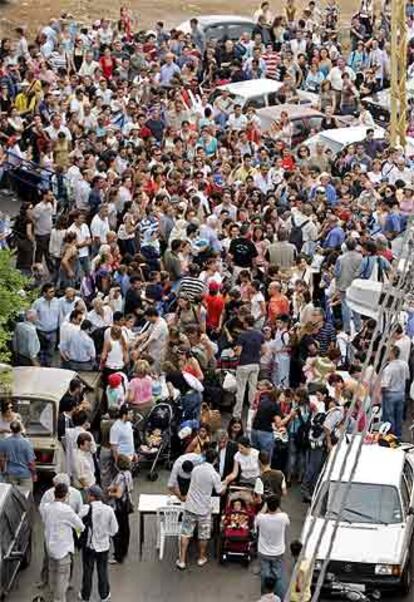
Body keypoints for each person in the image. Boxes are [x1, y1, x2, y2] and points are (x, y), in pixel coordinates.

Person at [177, 448, 226, 569]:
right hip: (204, 509)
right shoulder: (214, 474)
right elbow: (220, 491)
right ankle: (201, 557)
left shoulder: (195, 469)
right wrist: (225, 483)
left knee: (185, 533)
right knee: (203, 535)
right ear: (215, 460)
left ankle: (182, 560)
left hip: (190, 506)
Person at [40, 482, 85, 602]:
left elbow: (45, 520)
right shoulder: (67, 510)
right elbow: (80, 526)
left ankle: (53, 593)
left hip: (50, 548)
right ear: (65, 495)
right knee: (62, 576)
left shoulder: (47, 508)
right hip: (63, 550)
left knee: (52, 573)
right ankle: (58, 599)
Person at [79, 485, 119, 602]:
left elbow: (77, 523)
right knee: (102, 571)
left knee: (87, 571)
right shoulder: (109, 510)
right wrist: (106, 533)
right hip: (103, 546)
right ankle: (104, 595)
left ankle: (85, 595)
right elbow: (114, 530)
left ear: (92, 496)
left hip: (89, 546)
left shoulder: (85, 509)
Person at [256, 495, 290, 600]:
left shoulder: (261, 518)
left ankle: (265, 597)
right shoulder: (283, 517)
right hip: (278, 552)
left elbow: (257, 518)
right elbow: (286, 521)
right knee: (278, 576)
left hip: (263, 552)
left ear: (267, 506)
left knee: (265, 575)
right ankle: (280, 597)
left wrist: (265, 506)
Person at [233, 315, 265, 419]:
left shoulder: (242, 336)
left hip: (243, 364)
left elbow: (238, 352)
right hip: (255, 364)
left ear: (246, 323)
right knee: (253, 389)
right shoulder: (259, 335)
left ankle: (237, 414)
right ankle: (252, 412)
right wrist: (256, 356)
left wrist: (235, 350)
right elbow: (264, 350)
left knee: (240, 390)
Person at [108, 454, 133, 564]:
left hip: (119, 506)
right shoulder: (128, 474)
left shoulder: (120, 476)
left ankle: (118, 555)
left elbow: (118, 494)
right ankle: (124, 551)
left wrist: (110, 493)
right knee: (125, 529)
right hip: (126, 504)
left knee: (117, 531)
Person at [381, 345, 410, 438]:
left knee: (389, 418)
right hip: (401, 393)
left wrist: (381, 392)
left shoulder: (388, 368)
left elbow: (385, 385)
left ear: (392, 354)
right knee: (399, 417)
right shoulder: (404, 364)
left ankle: (390, 436)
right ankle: (399, 436)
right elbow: (407, 378)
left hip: (390, 394)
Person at [0, 420, 36, 492]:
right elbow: (31, 462)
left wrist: (3, 471)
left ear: (11, 430)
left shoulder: (4, 442)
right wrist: (34, 474)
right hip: (25, 474)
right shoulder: (27, 443)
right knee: (26, 496)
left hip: (11, 473)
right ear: (21, 429)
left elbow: (2, 459)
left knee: (12, 497)